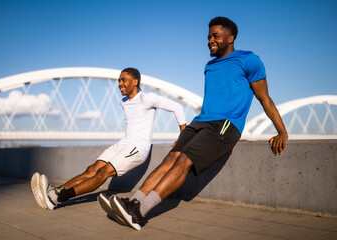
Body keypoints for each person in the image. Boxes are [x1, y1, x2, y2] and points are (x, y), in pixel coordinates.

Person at [102, 17, 289, 231]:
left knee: (183, 161)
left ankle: (140, 212)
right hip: (199, 122)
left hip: (224, 125)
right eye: (208, 36)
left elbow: (264, 98)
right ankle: (133, 202)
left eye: (215, 36)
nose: (210, 40)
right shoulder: (209, 66)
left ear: (230, 38)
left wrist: (281, 132)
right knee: (169, 160)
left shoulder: (249, 60)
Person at [31, 67, 187, 212]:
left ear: (135, 82)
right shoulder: (123, 102)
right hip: (123, 144)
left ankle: (58, 198)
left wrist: (183, 135)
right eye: (118, 81)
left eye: (123, 80)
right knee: (91, 170)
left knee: (102, 173)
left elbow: (177, 108)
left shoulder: (147, 98)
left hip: (137, 149)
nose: (119, 84)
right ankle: (56, 192)